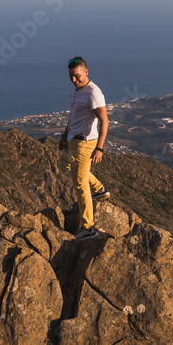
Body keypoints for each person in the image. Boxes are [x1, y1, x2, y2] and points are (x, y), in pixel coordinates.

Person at [58, 56, 110, 240]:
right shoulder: (77, 91)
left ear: (86, 72)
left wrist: (100, 149)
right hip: (72, 139)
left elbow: (105, 121)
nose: (74, 80)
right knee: (64, 165)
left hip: (86, 143)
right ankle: (99, 188)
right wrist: (65, 134)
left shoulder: (93, 93)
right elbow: (74, 116)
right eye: (71, 76)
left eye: (77, 76)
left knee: (80, 184)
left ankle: (88, 228)